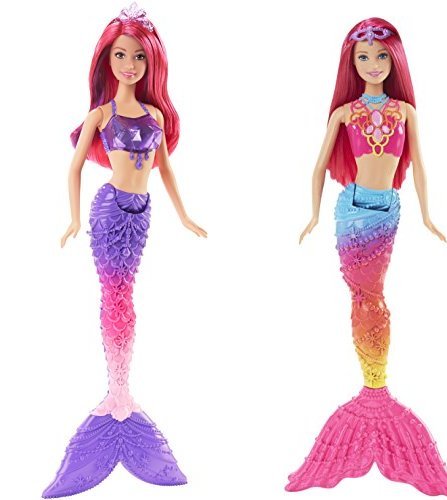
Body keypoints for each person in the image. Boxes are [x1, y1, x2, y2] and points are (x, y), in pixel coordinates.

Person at [286, 18, 447, 498]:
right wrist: (312, 216)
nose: (372, 64)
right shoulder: (344, 113)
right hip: (352, 210)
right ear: (351, 63)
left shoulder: (405, 111)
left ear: (395, 60)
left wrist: (428, 215)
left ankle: (376, 384)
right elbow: (318, 166)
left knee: (375, 296)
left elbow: (420, 166)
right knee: (365, 297)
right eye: (363, 57)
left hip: (388, 210)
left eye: (381, 56)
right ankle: (373, 385)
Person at [43, 3, 206, 497]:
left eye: (138, 56)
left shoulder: (154, 115)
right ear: (106, 60)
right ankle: (118, 392)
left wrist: (185, 215)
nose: (129, 64)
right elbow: (74, 168)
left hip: (141, 212)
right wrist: (74, 219)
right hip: (110, 211)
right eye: (120, 55)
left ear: (150, 62)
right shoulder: (102, 114)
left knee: (125, 295)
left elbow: (165, 169)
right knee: (117, 297)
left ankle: (120, 391)